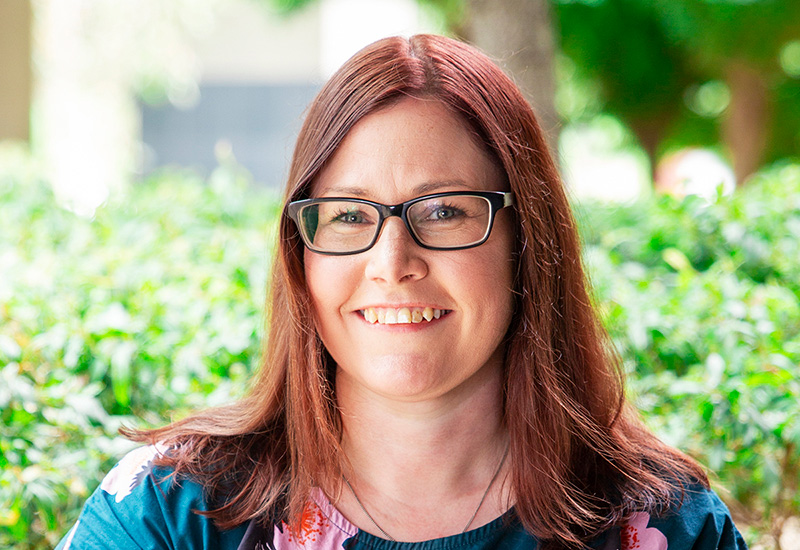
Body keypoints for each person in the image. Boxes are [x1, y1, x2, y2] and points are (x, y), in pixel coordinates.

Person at [56, 34, 748, 550]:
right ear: (300, 252)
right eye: (351, 216)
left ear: (527, 241)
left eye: (445, 211)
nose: (393, 261)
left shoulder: (665, 527)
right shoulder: (164, 518)